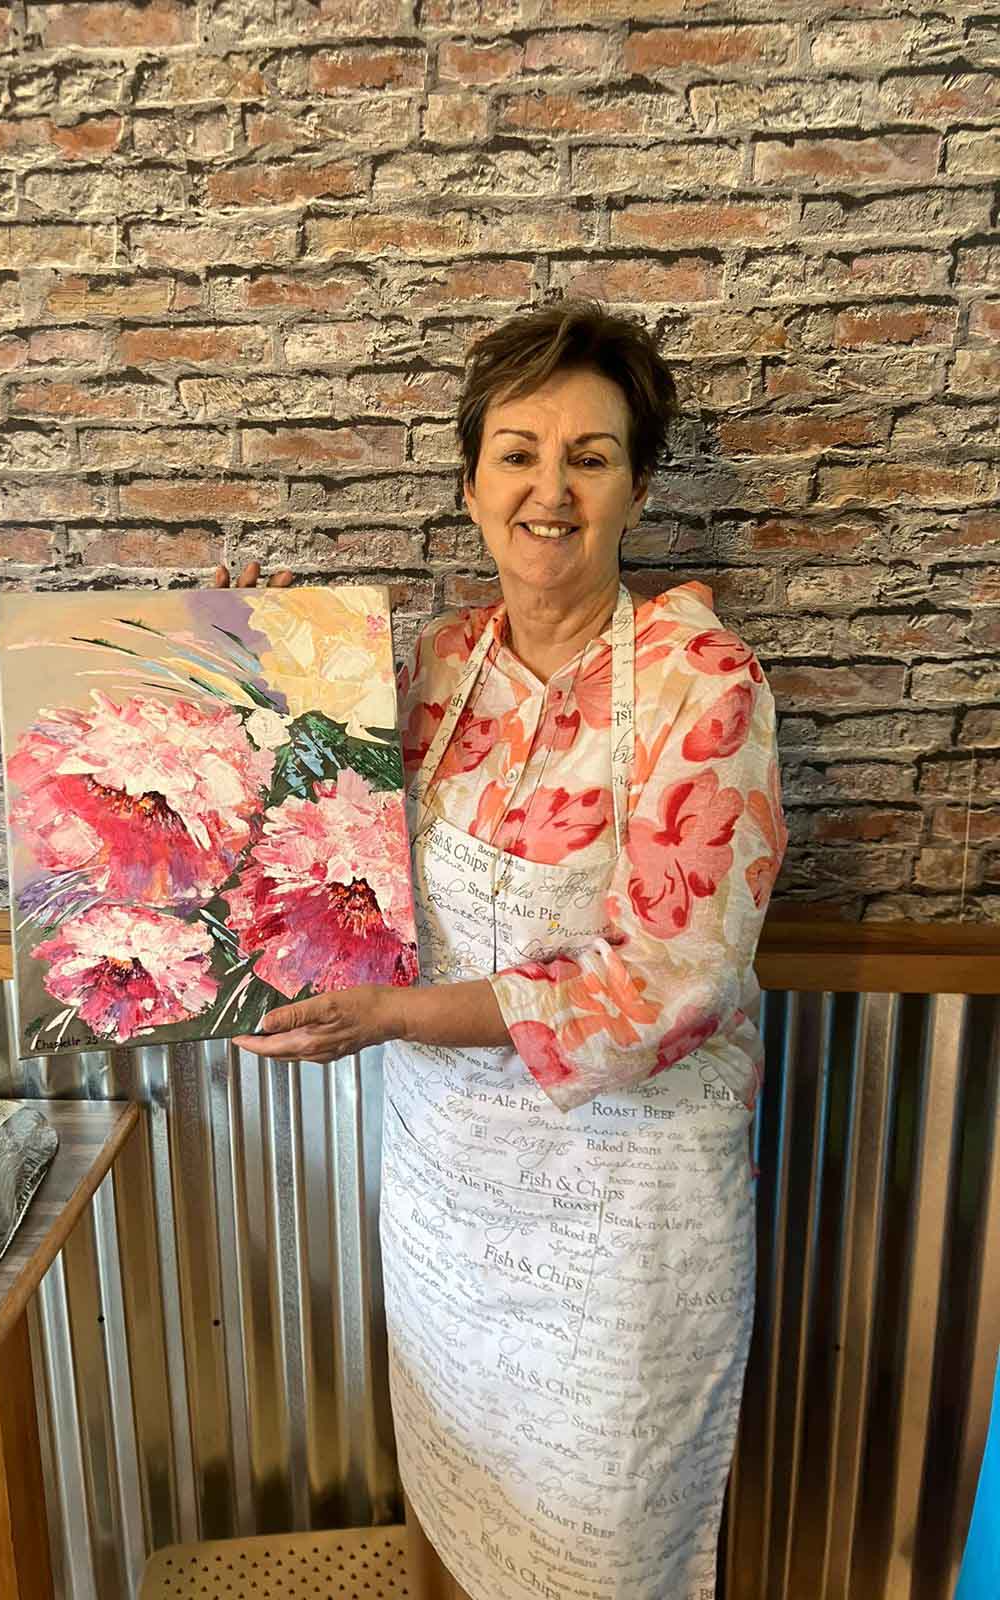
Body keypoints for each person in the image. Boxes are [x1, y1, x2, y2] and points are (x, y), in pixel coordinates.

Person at [231, 299, 787, 1600]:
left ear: (637, 486)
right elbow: (332, 858)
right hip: (447, 1201)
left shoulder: (706, 683)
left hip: (622, 1227)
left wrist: (393, 1018)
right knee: (462, 1505)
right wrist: (261, 690)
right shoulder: (436, 669)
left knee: (604, 1551)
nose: (551, 490)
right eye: (519, 454)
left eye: (590, 456)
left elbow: (669, 984)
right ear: (473, 484)